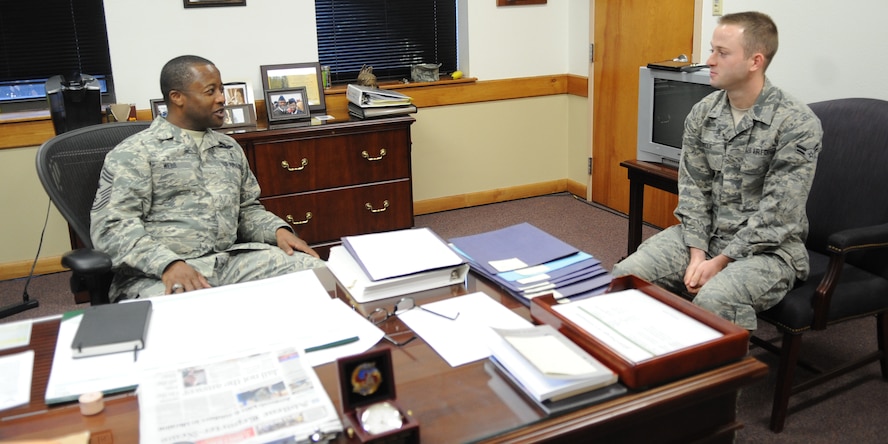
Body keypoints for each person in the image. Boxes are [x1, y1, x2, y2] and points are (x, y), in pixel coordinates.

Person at [612, 11, 823, 331]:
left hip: (768, 253)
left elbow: (778, 215)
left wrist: (721, 261)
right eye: (712, 49)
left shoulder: (796, 123)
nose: (709, 60)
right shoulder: (703, 113)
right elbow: (693, 190)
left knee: (714, 299)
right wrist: (698, 254)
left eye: (721, 53)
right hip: (702, 238)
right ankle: (641, 367)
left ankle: (719, 379)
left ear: (755, 61)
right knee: (624, 278)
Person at [90, 55, 325, 301]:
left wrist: (276, 230)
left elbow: (246, 210)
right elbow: (112, 227)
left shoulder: (228, 147)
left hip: (231, 262)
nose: (222, 98)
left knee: (321, 277)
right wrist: (168, 264)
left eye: (221, 90)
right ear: (177, 97)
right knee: (195, 318)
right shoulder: (135, 153)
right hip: (158, 274)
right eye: (210, 91)